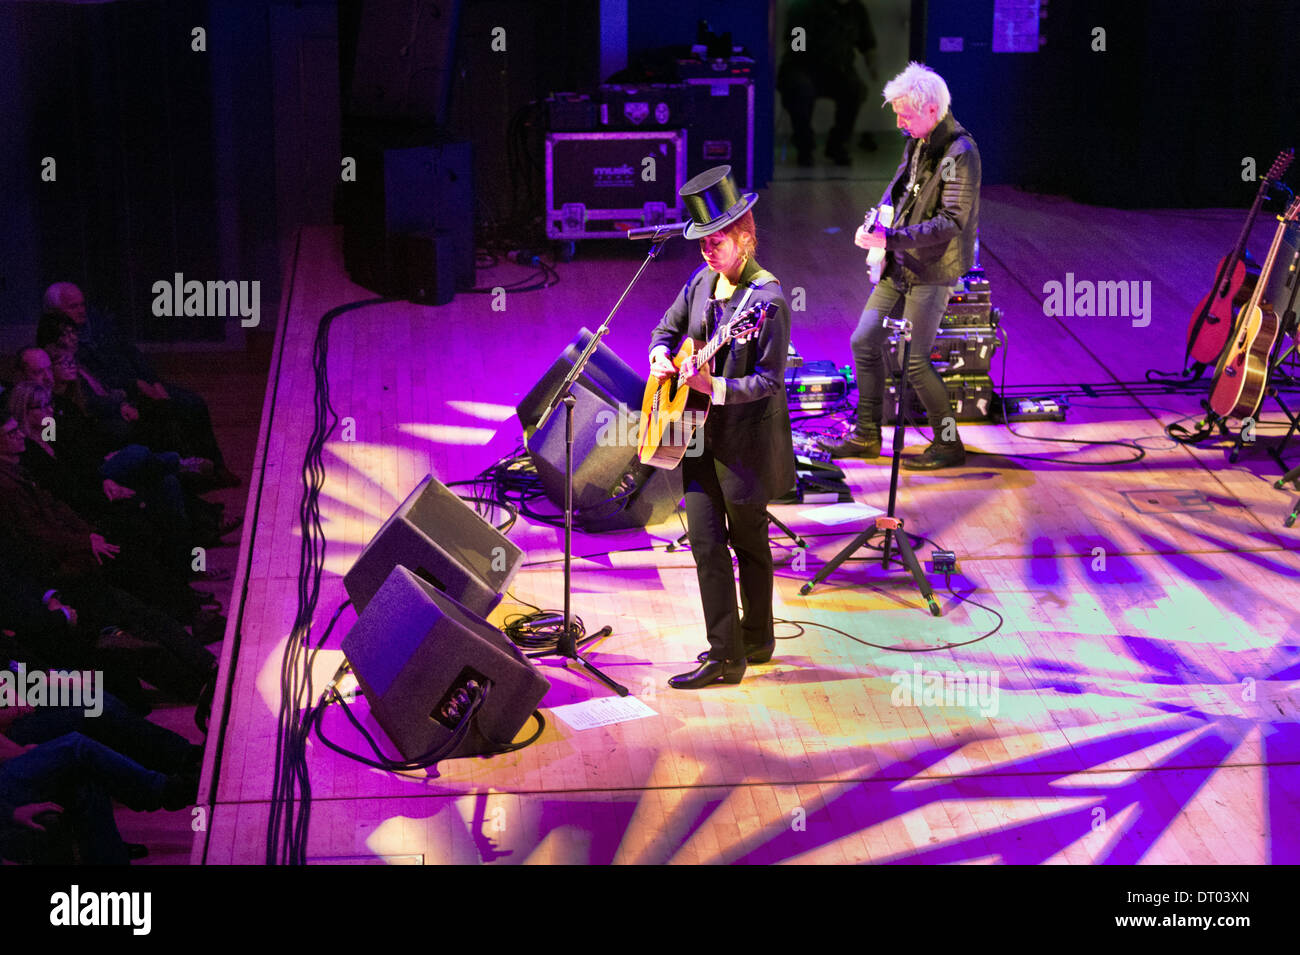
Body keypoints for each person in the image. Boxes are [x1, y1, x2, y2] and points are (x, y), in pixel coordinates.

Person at [648, 167, 795, 689]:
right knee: (707, 543)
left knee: (750, 542)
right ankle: (725, 655)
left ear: (745, 240)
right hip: (695, 435)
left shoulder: (768, 304)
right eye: (702, 244)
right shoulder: (700, 282)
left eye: (716, 243)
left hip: (745, 444)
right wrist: (663, 357)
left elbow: (770, 382)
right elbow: (664, 328)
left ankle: (758, 639)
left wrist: (717, 388)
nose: (707, 252)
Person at [821, 62, 981, 469]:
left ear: (931, 110)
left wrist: (888, 239)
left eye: (904, 115)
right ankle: (867, 434)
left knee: (915, 360)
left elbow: (952, 222)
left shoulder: (960, 153)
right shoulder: (919, 141)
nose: (898, 122)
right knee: (864, 340)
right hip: (899, 263)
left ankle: (948, 444)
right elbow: (900, 195)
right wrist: (875, 222)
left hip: (932, 272)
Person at [777, 0, 877, 166]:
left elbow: (867, 44)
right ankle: (804, 147)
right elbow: (796, 44)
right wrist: (801, 59)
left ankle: (837, 145)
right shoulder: (803, 7)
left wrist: (873, 67)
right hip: (803, 67)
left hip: (838, 69)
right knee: (800, 90)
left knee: (855, 90)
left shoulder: (855, 10)